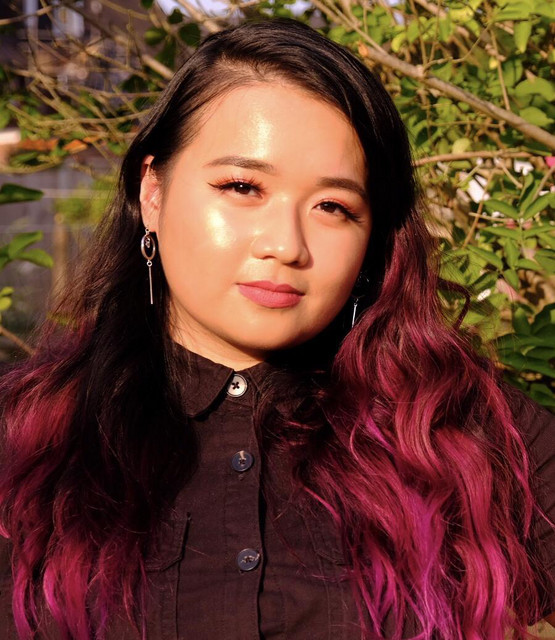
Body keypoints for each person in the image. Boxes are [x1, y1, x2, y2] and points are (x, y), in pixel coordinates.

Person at [0, 17, 554, 640]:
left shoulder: (458, 431)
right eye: (242, 187)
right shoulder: (25, 443)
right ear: (152, 192)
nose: (287, 245)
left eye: (333, 207)